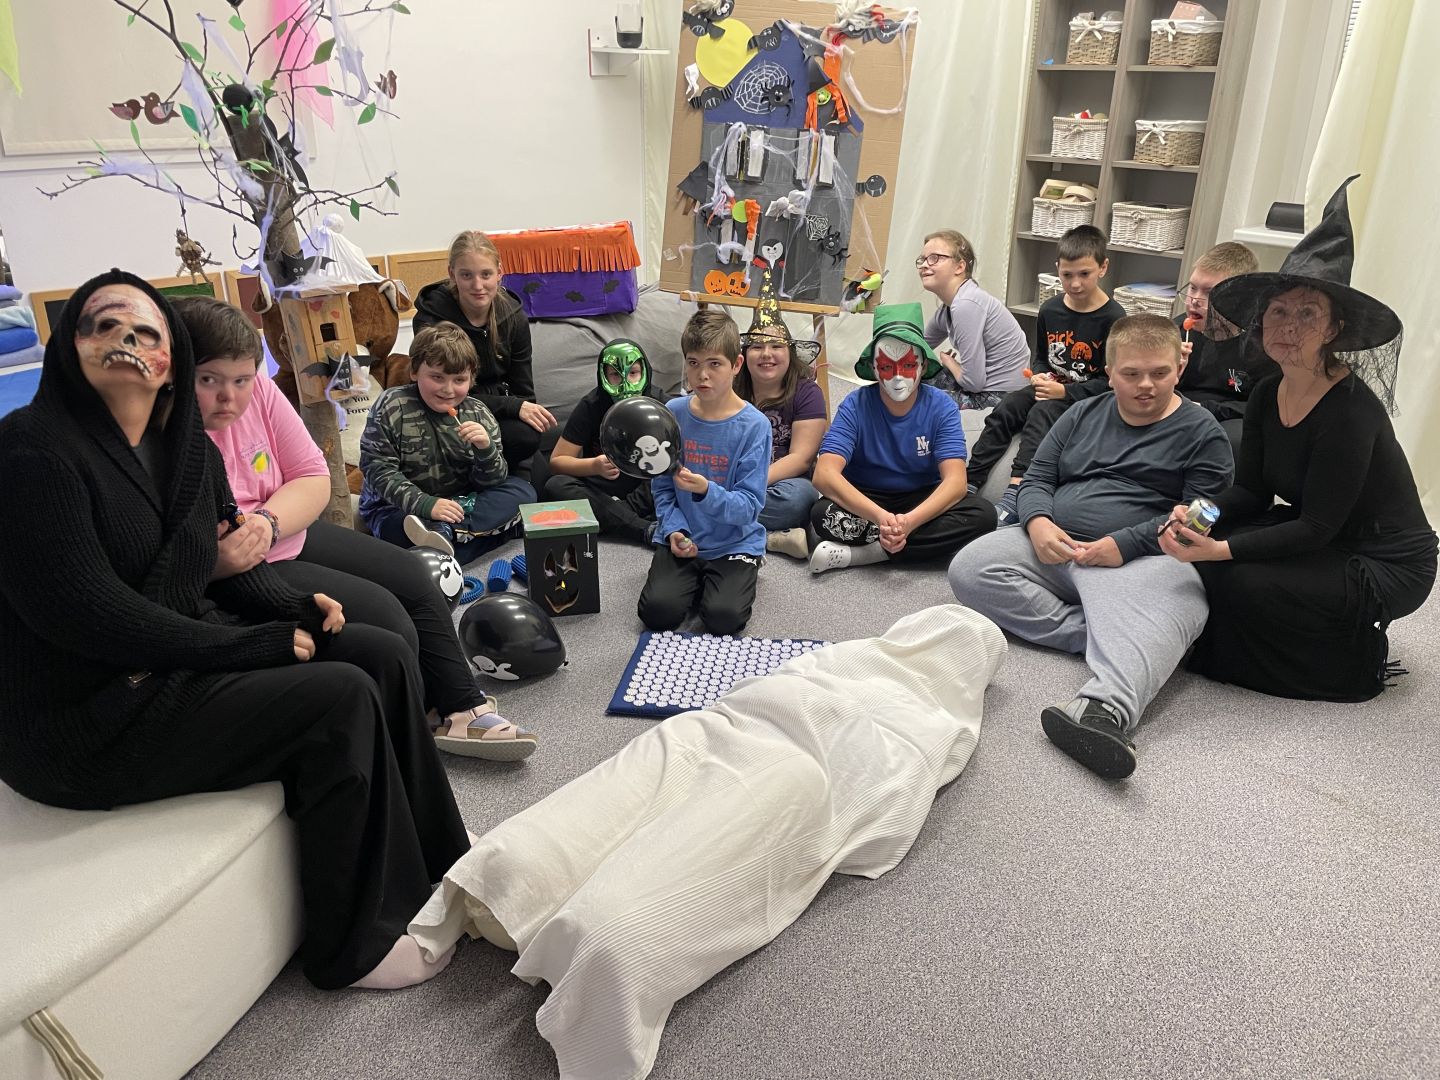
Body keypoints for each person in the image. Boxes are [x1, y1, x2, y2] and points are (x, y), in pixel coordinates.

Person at [0, 270, 469, 990]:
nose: (127, 343)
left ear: (169, 358)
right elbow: (92, 619)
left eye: (146, 332)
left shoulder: (183, 445)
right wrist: (250, 644)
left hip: (172, 657)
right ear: (70, 345)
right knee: (337, 699)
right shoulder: (32, 454)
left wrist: (293, 606)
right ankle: (354, 949)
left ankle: (439, 861)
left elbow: (221, 557)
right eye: (104, 327)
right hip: (90, 714)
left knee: (378, 651)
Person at [176, 296, 536, 760]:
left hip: (284, 530)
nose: (229, 396)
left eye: (241, 380)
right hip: (239, 565)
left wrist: (269, 521)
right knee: (388, 619)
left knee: (415, 577)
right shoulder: (168, 431)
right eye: (209, 380)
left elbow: (311, 474)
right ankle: (419, 720)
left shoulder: (260, 393)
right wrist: (217, 560)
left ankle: (462, 707)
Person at [1160, 175, 1437, 702]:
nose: (1289, 326)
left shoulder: (1350, 409)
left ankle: (1352, 662)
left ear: (1333, 330)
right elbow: (1251, 493)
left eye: (1308, 313)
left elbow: (1315, 527)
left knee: (1237, 574)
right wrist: (1197, 515)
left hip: (1384, 561)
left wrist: (1219, 550)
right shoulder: (1268, 392)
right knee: (1214, 554)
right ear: (1261, 321)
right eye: (1279, 311)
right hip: (1324, 535)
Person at [949, 314, 1233, 779]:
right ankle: (1100, 633)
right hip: (1056, 546)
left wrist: (1125, 544)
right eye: (1131, 373)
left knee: (1186, 598)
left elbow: (1198, 516)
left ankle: (1103, 711)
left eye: (1160, 372)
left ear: (1179, 369)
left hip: (1142, 559)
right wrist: (1037, 522)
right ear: (1110, 371)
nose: (1146, 385)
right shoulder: (1081, 413)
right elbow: (1038, 477)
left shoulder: (1204, 433)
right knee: (970, 568)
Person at [809, 303, 996, 574]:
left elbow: (955, 483)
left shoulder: (942, 407)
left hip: (922, 498)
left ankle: (868, 554)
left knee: (983, 516)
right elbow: (824, 474)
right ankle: (902, 545)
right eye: (887, 366)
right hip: (866, 497)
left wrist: (910, 522)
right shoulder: (855, 404)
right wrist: (881, 517)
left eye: (908, 365)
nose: (898, 377)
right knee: (822, 514)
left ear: (923, 365)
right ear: (874, 368)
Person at [964, 225, 1127, 525]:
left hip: (1086, 399)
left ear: (1103, 267)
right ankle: (970, 481)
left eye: (1085, 274)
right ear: (1057, 269)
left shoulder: (1114, 318)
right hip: (1053, 387)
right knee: (1007, 407)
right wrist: (1039, 376)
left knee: (1042, 413)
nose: (1075, 283)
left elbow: (1112, 383)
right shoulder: (1050, 309)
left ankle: (1018, 489)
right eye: (1067, 275)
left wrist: (1064, 392)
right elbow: (1042, 358)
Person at [637, 308, 770, 636]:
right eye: (693, 363)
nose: (702, 375)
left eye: (715, 364)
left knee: (724, 619)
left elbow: (749, 507)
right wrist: (674, 531)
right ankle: (695, 579)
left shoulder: (755, 426)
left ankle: (741, 569)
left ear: (736, 365)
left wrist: (705, 491)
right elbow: (662, 487)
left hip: (734, 543)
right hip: (685, 538)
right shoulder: (673, 413)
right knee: (657, 614)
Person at [360, 324, 536, 564]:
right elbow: (377, 470)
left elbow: (491, 483)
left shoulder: (479, 413)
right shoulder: (392, 406)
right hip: (399, 510)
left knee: (522, 492)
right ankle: (487, 536)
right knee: (397, 533)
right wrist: (426, 505)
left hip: (459, 503)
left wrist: (486, 451)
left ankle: (445, 535)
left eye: (459, 380)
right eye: (437, 377)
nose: (448, 390)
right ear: (414, 371)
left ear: (471, 379)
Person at [412, 230, 557, 475]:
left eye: (486, 274)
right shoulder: (431, 319)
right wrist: (511, 406)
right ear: (452, 274)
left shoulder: (514, 318)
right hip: (446, 405)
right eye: (466, 275)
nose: (477, 285)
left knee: (529, 440)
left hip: (494, 409)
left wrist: (520, 408)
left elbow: (523, 390)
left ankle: (500, 478)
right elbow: (443, 389)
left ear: (499, 273)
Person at [734, 269, 828, 559]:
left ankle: (707, 524)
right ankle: (769, 538)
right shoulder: (730, 388)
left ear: (790, 353)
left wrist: (745, 486)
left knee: (800, 499)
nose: (767, 354)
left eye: (776, 346)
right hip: (730, 476)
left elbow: (801, 458)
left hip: (779, 484)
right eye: (757, 346)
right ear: (744, 355)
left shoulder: (807, 393)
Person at [536, 337, 659, 544]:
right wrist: (594, 465)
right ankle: (641, 528)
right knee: (556, 485)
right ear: (603, 376)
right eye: (615, 375)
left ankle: (616, 519)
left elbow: (675, 463)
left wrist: (622, 509)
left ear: (645, 372)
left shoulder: (661, 405)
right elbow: (557, 462)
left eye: (633, 373)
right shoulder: (592, 405)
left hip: (646, 487)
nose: (625, 383)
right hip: (603, 488)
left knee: (675, 481)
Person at [1174, 241, 1276, 455]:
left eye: (1209, 292)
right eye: (1192, 288)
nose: (1195, 300)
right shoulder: (1175, 332)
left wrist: (1206, 409)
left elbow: (1264, 406)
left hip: (1226, 420)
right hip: (1178, 408)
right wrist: (1168, 374)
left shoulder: (1265, 345)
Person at [917, 229, 1030, 410]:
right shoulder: (949, 308)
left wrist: (950, 362)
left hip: (1002, 399)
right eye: (922, 259)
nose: (924, 265)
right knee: (908, 380)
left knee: (914, 396)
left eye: (934, 258)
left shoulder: (966, 304)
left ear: (959, 267)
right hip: (990, 390)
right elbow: (918, 345)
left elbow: (973, 383)